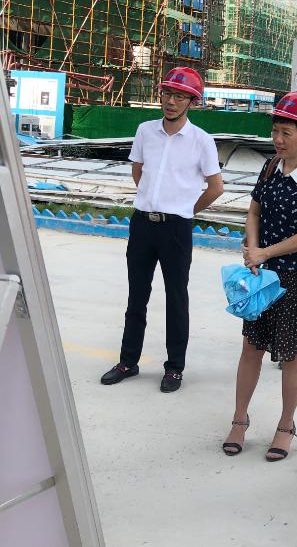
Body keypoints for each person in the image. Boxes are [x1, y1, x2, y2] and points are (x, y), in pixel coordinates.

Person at [221, 91, 297, 462]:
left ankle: (286, 425)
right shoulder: (271, 167)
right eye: (276, 131)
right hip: (263, 273)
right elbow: (254, 211)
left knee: (291, 353)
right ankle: (239, 418)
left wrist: (265, 253)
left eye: (287, 133)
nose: (278, 139)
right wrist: (253, 250)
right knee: (250, 346)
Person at [100, 67, 224, 393]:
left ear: (192, 102)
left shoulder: (202, 141)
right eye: (167, 94)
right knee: (136, 296)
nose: (171, 101)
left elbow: (215, 187)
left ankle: (174, 368)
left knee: (176, 298)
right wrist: (151, 200)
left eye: (180, 96)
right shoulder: (145, 131)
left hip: (176, 229)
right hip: (143, 224)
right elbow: (138, 171)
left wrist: (186, 210)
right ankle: (128, 362)